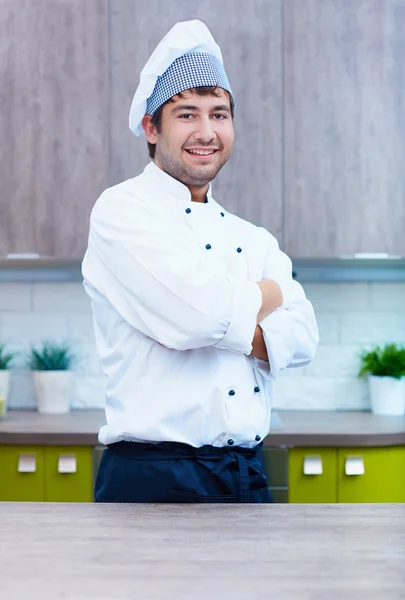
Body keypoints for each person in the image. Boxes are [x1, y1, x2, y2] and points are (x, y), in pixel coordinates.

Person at [82, 20, 319, 503]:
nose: (207, 132)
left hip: (245, 473)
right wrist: (270, 295)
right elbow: (197, 318)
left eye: (219, 113)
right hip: (152, 478)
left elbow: (306, 336)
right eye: (187, 114)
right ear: (152, 126)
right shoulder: (121, 211)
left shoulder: (251, 236)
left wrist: (225, 316)